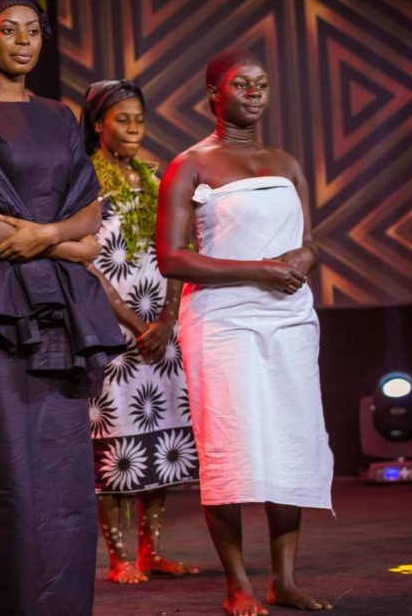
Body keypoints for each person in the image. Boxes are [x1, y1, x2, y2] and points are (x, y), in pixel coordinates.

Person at [0, 0, 125, 615]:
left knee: (65, 466)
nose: (23, 41)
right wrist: (63, 242)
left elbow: (90, 220)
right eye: (9, 30)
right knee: (8, 463)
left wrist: (48, 235)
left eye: (33, 30)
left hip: (63, 307)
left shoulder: (61, 114)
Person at [156, 49, 335, 615]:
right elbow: (171, 258)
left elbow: (309, 238)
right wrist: (257, 269)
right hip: (222, 320)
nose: (255, 92)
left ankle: (285, 578)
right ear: (215, 94)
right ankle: (238, 584)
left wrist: (305, 258)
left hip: (287, 316)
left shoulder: (285, 161)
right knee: (230, 444)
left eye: (262, 83)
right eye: (242, 84)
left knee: (290, 439)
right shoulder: (190, 165)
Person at [81, 79, 199, 585]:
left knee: (163, 439)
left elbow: (177, 250)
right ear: (97, 124)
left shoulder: (156, 180)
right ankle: (120, 557)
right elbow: (88, 263)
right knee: (119, 441)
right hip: (115, 331)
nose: (132, 128)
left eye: (139, 119)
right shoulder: (83, 181)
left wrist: (167, 319)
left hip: (161, 330)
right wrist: (133, 324)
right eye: (121, 119)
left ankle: (153, 550)